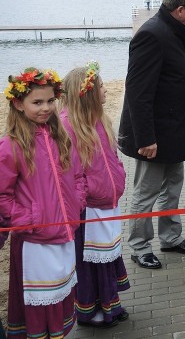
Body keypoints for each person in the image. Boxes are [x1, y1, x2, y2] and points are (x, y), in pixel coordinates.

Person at [119, 0, 185, 270]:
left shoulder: (180, 32)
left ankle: (171, 237)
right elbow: (137, 92)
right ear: (180, 9)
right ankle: (139, 247)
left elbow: (181, 85)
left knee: (172, 188)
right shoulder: (151, 35)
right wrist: (145, 137)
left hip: (175, 129)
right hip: (153, 134)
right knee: (146, 193)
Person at [0, 68, 86, 338]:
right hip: (34, 243)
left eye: (50, 101)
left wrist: (77, 202)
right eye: (37, 102)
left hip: (64, 235)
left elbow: (79, 175)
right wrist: (30, 219)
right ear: (18, 103)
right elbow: (2, 196)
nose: (46, 108)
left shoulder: (63, 138)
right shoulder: (10, 146)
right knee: (39, 307)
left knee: (62, 297)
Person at [60, 63, 130, 328]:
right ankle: (92, 311)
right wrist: (89, 194)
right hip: (89, 208)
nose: (105, 90)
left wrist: (119, 176)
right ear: (87, 92)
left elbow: (112, 156)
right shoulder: (69, 126)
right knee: (90, 261)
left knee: (109, 256)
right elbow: (73, 171)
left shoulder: (99, 120)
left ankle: (110, 303)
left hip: (106, 202)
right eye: (100, 86)